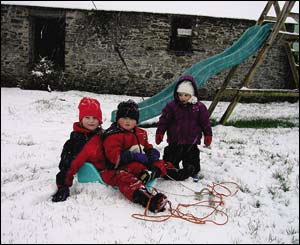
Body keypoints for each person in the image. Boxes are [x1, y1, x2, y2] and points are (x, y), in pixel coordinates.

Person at [101, 100, 190, 213]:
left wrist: (151, 152)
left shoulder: (141, 133)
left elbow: (146, 147)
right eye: (124, 118)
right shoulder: (113, 135)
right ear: (117, 119)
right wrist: (132, 156)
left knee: (159, 163)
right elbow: (114, 158)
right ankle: (148, 200)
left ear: (136, 121)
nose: (128, 121)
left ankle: (173, 173)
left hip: (140, 164)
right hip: (119, 168)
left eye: (132, 118)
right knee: (125, 179)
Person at [155, 75, 213, 182]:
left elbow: (205, 123)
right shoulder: (172, 106)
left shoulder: (199, 107)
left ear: (192, 94)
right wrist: (160, 132)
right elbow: (164, 120)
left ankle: (192, 171)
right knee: (171, 158)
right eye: (180, 95)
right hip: (175, 140)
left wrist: (208, 134)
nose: (183, 98)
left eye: (186, 95)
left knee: (192, 158)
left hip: (191, 141)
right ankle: (170, 170)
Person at [52, 97, 106, 202]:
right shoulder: (77, 140)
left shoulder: (102, 135)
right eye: (87, 117)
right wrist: (63, 186)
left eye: (95, 118)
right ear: (81, 119)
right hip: (92, 173)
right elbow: (68, 163)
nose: (91, 121)